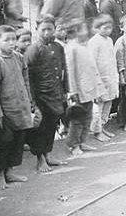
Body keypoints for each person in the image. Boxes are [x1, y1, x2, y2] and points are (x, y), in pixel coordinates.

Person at [0, 25, 33, 190]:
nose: (12, 43)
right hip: (4, 112)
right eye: (7, 40)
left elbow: (25, 81)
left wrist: (29, 102)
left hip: (20, 109)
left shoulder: (19, 58)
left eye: (14, 39)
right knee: (3, 143)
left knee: (17, 142)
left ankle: (10, 172)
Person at [25, 14, 68, 172]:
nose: (47, 33)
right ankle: (40, 159)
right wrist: (32, 101)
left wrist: (65, 90)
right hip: (40, 96)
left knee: (52, 125)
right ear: (36, 30)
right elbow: (27, 77)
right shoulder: (33, 49)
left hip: (55, 94)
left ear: (55, 29)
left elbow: (64, 70)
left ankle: (48, 155)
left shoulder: (58, 48)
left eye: (50, 29)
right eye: (43, 30)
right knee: (41, 128)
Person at [64, 20, 106, 156]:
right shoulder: (71, 48)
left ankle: (82, 141)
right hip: (79, 89)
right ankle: (73, 144)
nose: (85, 33)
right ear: (74, 32)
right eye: (82, 30)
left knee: (87, 117)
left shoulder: (85, 46)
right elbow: (70, 71)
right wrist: (73, 91)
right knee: (78, 118)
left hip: (90, 87)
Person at [87, 15, 119, 142]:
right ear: (96, 28)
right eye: (105, 28)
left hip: (109, 77)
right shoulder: (94, 42)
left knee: (108, 103)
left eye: (110, 28)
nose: (108, 31)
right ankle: (96, 131)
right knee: (98, 107)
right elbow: (91, 64)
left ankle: (103, 126)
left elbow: (112, 60)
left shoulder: (109, 41)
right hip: (99, 79)